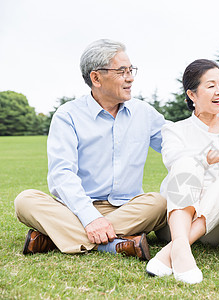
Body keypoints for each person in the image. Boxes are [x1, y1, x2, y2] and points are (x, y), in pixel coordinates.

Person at [14, 39, 167, 260]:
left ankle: (55, 238)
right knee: (25, 200)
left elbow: (176, 142)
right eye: (122, 71)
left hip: (127, 208)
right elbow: (61, 174)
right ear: (96, 77)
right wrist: (89, 217)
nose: (130, 77)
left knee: (159, 203)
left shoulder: (144, 112)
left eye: (131, 70)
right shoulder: (68, 115)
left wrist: (216, 131)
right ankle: (113, 244)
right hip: (75, 207)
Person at [146, 59, 219, 284]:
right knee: (186, 163)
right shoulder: (174, 130)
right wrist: (218, 155)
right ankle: (182, 248)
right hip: (175, 223)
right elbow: (175, 159)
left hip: (216, 227)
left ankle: (173, 251)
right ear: (192, 95)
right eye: (211, 85)